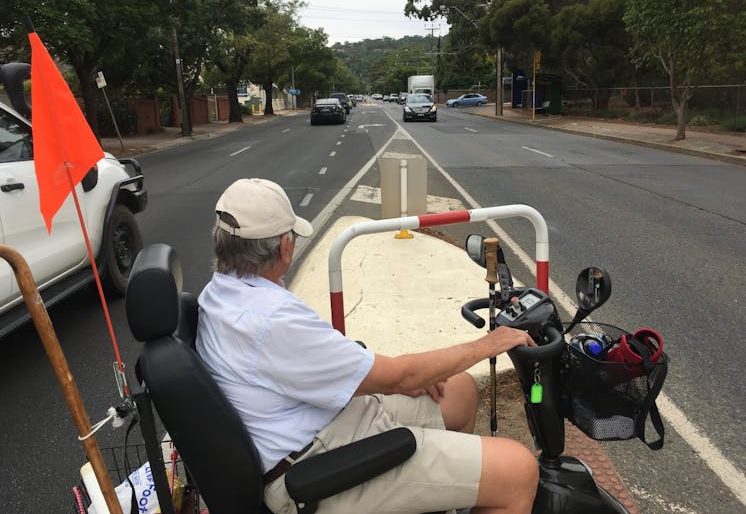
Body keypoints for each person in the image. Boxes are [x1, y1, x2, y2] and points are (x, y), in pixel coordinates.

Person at [196, 178, 539, 514]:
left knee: (460, 391)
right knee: (519, 470)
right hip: (315, 469)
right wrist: (489, 343)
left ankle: (444, 493)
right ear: (284, 247)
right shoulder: (271, 319)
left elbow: (327, 370)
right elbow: (396, 378)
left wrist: (402, 378)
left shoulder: (221, 294)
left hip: (318, 428)